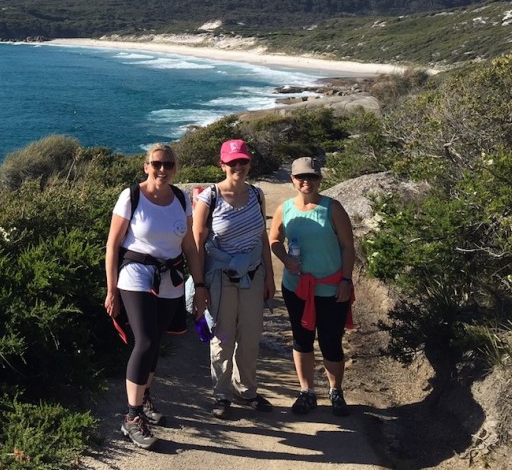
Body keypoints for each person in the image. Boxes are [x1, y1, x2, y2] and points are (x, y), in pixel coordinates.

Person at [105, 143, 207, 449]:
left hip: (170, 279)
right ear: (146, 166)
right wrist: (111, 289)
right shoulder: (131, 196)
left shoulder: (179, 198)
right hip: (135, 275)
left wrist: (199, 286)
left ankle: (144, 397)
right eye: (157, 164)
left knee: (156, 342)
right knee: (146, 340)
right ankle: (132, 417)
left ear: (175, 168)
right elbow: (112, 246)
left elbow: (189, 246)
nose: (162, 169)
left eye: (168, 165)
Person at [192, 139, 276, 419]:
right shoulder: (210, 197)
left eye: (243, 161)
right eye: (232, 162)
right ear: (222, 165)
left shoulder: (256, 193)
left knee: (251, 337)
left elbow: (262, 237)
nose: (238, 166)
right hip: (220, 278)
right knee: (223, 336)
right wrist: (200, 285)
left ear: (249, 163)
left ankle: (247, 391)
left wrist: (269, 277)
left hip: (253, 275)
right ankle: (221, 394)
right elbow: (197, 242)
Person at [268, 156, 356, 417]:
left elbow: (348, 247)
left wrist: (346, 280)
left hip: (331, 287)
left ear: (319, 179)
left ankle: (335, 391)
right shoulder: (285, 209)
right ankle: (306, 392)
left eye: (312, 177)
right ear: (292, 179)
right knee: (302, 340)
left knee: (331, 342)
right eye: (301, 177)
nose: (306, 181)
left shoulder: (333, 208)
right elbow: (274, 240)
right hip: (297, 288)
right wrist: (286, 259)